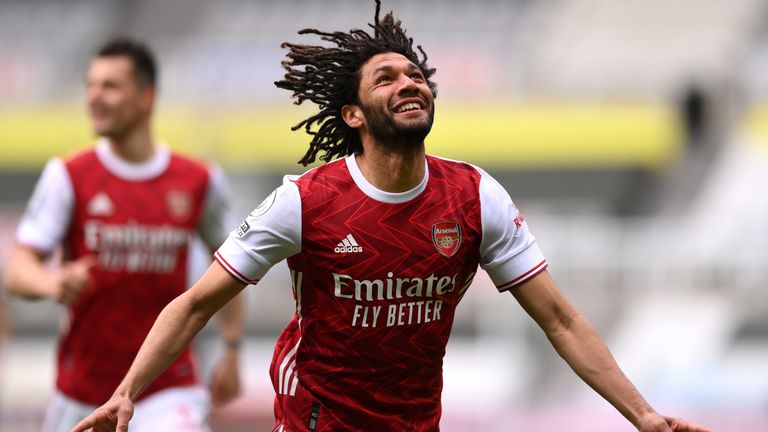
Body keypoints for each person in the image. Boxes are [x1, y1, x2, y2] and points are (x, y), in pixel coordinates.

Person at [71, 3, 713, 432]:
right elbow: (194, 304)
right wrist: (128, 391)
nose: (409, 83)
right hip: (317, 412)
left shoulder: (474, 196)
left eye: (416, 75)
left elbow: (561, 319)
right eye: (385, 78)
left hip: (415, 419)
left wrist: (644, 416)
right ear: (352, 113)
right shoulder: (305, 201)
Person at [2, 38, 245, 432]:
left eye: (110, 86)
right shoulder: (68, 175)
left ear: (146, 96)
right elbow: (17, 271)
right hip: (82, 392)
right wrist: (53, 283)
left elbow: (233, 266)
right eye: (90, 86)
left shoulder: (198, 179)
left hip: (169, 388)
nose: (94, 97)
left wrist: (232, 348)